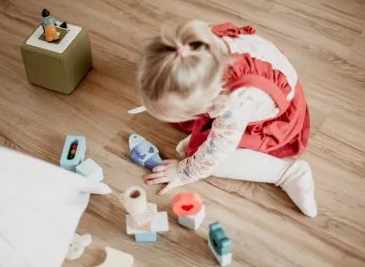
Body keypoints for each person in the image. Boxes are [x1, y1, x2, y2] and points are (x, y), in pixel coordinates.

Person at [136, 20, 317, 217]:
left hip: (272, 118)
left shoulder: (236, 103)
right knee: (200, 141)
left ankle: (286, 174)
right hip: (259, 82)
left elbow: (215, 154)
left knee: (214, 159)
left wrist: (183, 171)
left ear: (210, 100)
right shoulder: (197, 49)